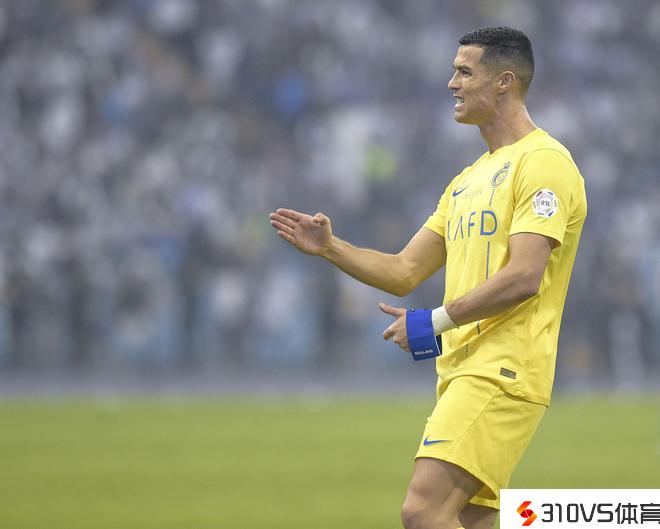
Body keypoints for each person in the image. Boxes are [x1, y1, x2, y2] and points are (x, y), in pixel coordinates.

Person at [269, 26, 587, 529]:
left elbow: (525, 276)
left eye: (464, 72)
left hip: (503, 370)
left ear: (505, 81)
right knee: (469, 518)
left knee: (422, 511)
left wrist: (433, 321)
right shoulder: (465, 182)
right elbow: (403, 271)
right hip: (462, 370)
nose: (451, 84)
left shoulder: (544, 163)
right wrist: (331, 247)